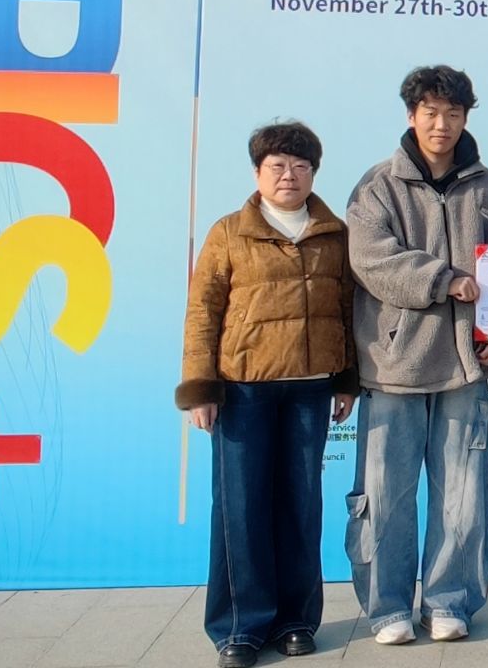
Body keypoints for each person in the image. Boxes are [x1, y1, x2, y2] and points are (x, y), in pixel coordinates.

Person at [345, 65, 488, 645]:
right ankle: (387, 607)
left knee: (463, 498)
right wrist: (444, 279)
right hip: (392, 366)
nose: (441, 124)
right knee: (384, 497)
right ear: (411, 115)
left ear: (466, 118)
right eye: (430, 112)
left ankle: (449, 601)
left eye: (453, 113)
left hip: (467, 368)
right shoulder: (378, 184)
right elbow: (371, 260)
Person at [176, 121, 357, 668]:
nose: (289, 175)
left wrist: (346, 378)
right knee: (241, 508)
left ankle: (297, 620)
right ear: (257, 173)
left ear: (314, 173)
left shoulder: (334, 234)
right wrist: (201, 387)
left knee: (301, 505)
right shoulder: (229, 232)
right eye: (277, 165)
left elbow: (347, 309)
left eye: (301, 166)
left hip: (309, 390)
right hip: (243, 391)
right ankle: (240, 626)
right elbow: (202, 312)